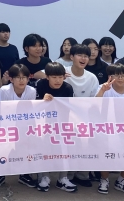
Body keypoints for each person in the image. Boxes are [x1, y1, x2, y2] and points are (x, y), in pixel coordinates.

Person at [95, 63, 124, 195]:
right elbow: (94, 106)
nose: (120, 78)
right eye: (117, 75)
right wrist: (103, 91)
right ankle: (104, 180)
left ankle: (122, 180)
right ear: (110, 77)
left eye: (123, 75)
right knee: (106, 155)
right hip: (106, 129)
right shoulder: (103, 88)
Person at [35, 62, 75, 192]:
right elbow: (33, 107)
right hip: (43, 124)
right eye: (54, 77)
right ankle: (44, 177)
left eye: (60, 77)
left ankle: (62, 178)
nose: (58, 80)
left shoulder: (68, 88)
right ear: (47, 77)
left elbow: (69, 108)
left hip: (62, 124)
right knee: (44, 149)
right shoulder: (40, 85)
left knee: (65, 150)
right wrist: (42, 101)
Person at [64, 44, 99, 188]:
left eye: (86, 56)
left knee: (86, 146)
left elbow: (95, 101)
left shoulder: (92, 78)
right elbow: (41, 74)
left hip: (85, 118)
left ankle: (82, 175)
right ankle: (67, 176)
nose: (83, 58)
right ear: (72, 57)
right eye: (80, 55)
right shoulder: (63, 72)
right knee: (70, 147)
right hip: (65, 118)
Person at [0, 63, 37, 189]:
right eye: (18, 77)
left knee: (25, 148)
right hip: (7, 125)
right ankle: (0, 175)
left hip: (24, 125)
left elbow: (29, 111)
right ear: (11, 79)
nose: (21, 80)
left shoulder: (31, 91)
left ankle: (24, 175)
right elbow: (3, 111)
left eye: (24, 77)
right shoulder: (4, 90)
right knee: (3, 150)